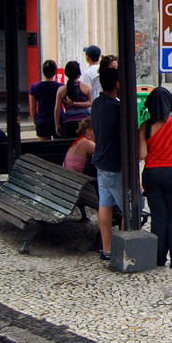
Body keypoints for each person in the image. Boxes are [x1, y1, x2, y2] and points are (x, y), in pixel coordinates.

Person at [138, 87, 172, 268]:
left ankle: (159, 257)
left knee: (158, 216)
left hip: (152, 174)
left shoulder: (145, 127)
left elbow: (142, 155)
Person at [91, 65, 122, 261]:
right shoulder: (117, 108)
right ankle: (125, 247)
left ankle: (107, 248)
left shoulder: (97, 103)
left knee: (105, 204)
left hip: (100, 160)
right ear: (118, 84)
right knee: (128, 207)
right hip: (114, 163)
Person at [54, 60, 92, 139]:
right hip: (84, 123)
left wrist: (57, 124)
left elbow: (57, 109)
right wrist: (75, 103)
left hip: (68, 123)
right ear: (79, 72)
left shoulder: (61, 90)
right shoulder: (87, 87)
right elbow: (92, 103)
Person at [27, 60, 62, 140]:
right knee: (59, 146)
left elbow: (32, 108)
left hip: (42, 121)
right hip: (58, 120)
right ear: (55, 72)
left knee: (44, 146)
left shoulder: (34, 87)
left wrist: (35, 122)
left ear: (43, 71)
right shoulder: (61, 87)